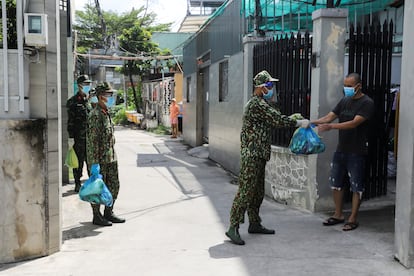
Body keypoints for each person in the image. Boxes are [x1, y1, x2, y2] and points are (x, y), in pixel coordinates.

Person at [225, 70, 310, 245]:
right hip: (252, 154)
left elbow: (274, 117)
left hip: (260, 154)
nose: (272, 89)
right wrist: (297, 122)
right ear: (261, 88)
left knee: (257, 192)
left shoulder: (262, 104)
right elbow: (277, 120)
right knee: (246, 192)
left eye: (272, 86)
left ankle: (254, 223)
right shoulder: (256, 104)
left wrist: (293, 118)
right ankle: (233, 227)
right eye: (269, 86)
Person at [312, 72, 374, 231]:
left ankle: (353, 218)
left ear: (358, 86)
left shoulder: (367, 103)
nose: (345, 88)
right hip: (341, 150)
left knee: (356, 186)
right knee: (336, 184)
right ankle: (338, 214)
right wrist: (310, 122)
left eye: (349, 86)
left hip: (357, 151)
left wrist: (331, 127)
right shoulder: (344, 101)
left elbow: (354, 123)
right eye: (344, 85)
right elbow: (328, 118)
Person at [86, 82, 125, 226]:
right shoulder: (95, 115)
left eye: (110, 94)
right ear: (100, 96)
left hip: (110, 158)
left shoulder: (105, 113)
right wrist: (94, 163)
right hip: (99, 159)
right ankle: (97, 216)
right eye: (108, 94)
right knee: (97, 188)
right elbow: (92, 141)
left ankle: (109, 212)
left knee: (114, 185)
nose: (110, 97)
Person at [66, 74, 92, 192]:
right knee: (78, 162)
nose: (87, 86)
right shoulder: (73, 102)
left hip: (90, 138)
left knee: (91, 161)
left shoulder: (90, 101)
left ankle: (92, 182)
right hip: (78, 138)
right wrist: (71, 137)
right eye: (85, 84)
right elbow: (70, 121)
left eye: (88, 84)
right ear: (79, 85)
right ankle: (77, 182)